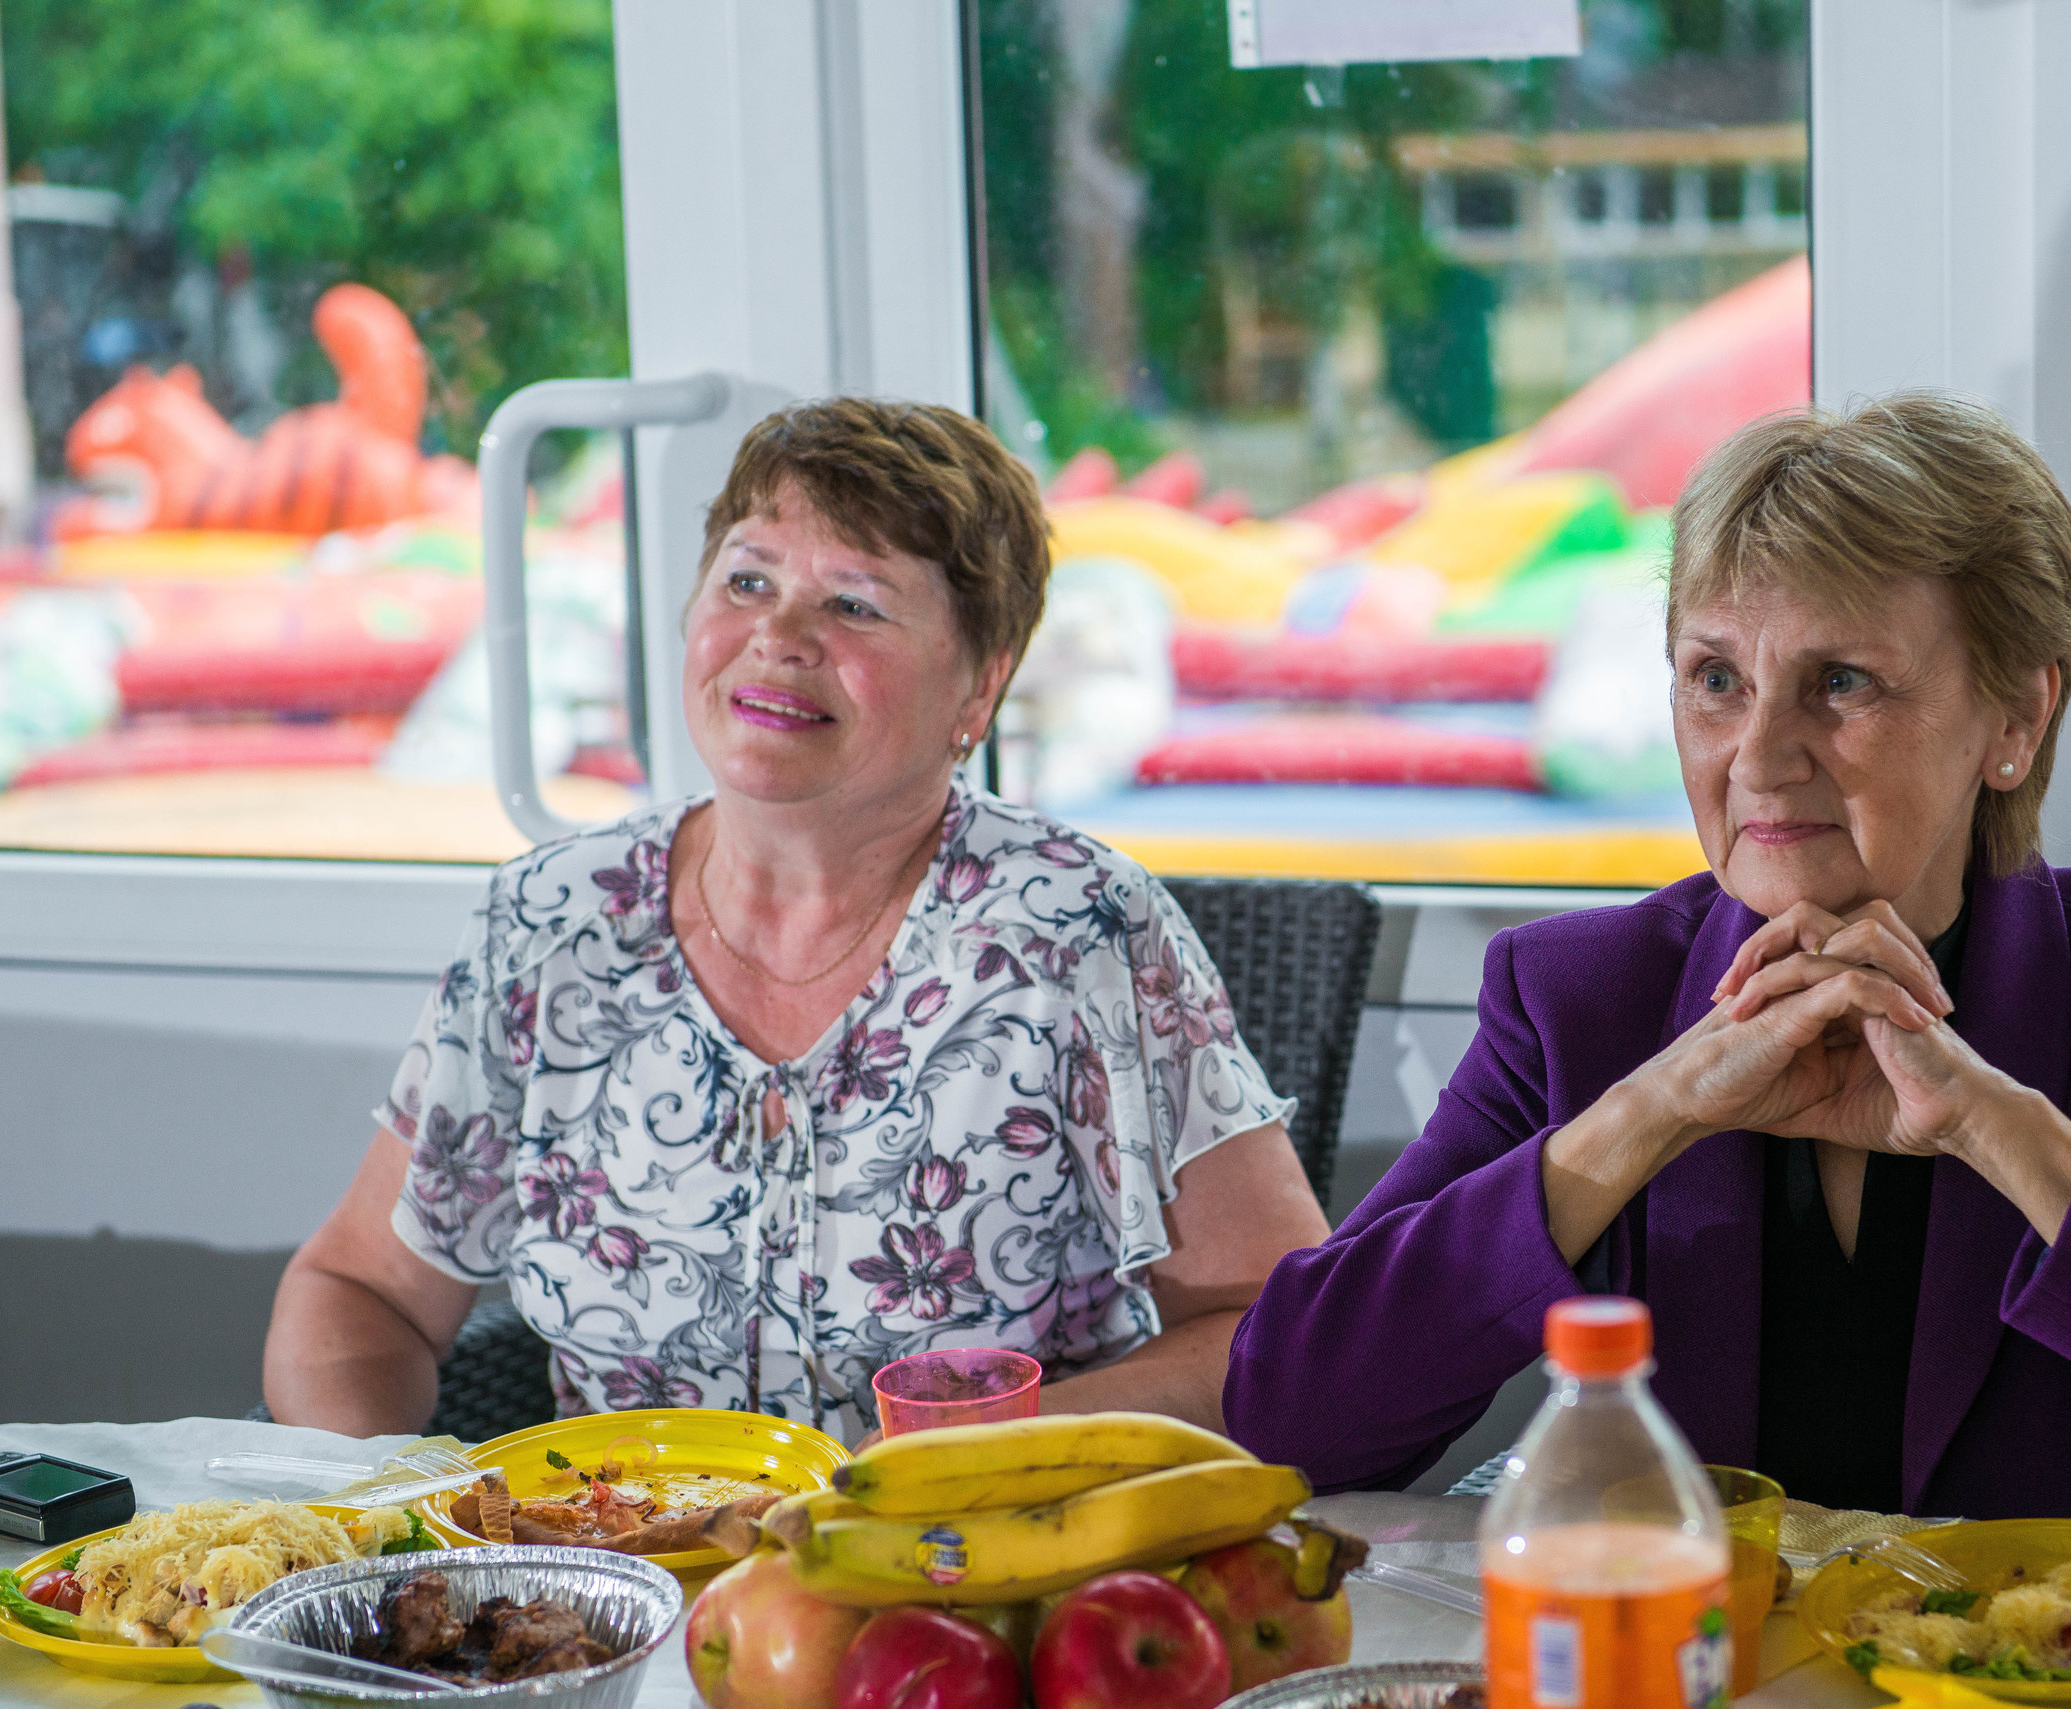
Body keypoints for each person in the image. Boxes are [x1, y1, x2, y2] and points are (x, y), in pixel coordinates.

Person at [1225, 393, 2071, 1531]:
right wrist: (1650, 1110)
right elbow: (1287, 1424)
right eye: (1715, 680)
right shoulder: (1576, 999)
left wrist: (2003, 1129)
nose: (1755, 755)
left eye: (1839, 681)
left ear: (2015, 720)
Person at [266, 398, 1331, 1443]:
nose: (777, 636)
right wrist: (380, 1504)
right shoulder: (550, 923)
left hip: (969, 1575)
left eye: (855, 604)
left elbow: (1276, 1332)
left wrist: (970, 1442)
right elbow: (363, 1290)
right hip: (614, 1599)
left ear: (980, 685)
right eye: (747, 579)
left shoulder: (1072, 931)